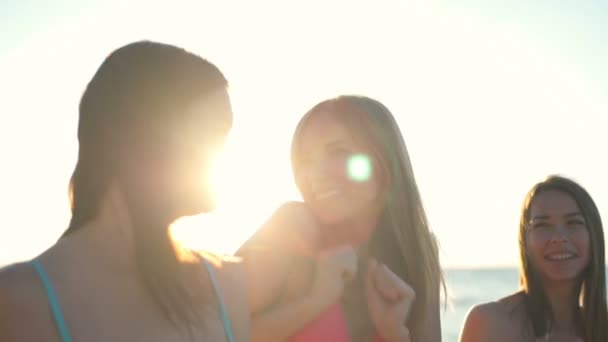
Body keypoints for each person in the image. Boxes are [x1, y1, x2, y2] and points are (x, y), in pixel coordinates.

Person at [0, 41, 248, 341]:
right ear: (140, 136)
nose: (228, 152)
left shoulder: (226, 287)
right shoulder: (20, 301)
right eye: (211, 131)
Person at [238, 95, 444, 341]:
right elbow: (211, 331)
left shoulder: (417, 248)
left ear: (383, 159)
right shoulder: (291, 229)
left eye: (338, 152)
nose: (315, 173)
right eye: (305, 159)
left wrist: (393, 332)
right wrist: (314, 301)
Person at [459, 175, 607, 342]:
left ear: (594, 235)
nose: (559, 237)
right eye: (542, 225)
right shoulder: (488, 323)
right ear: (525, 241)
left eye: (573, 222)